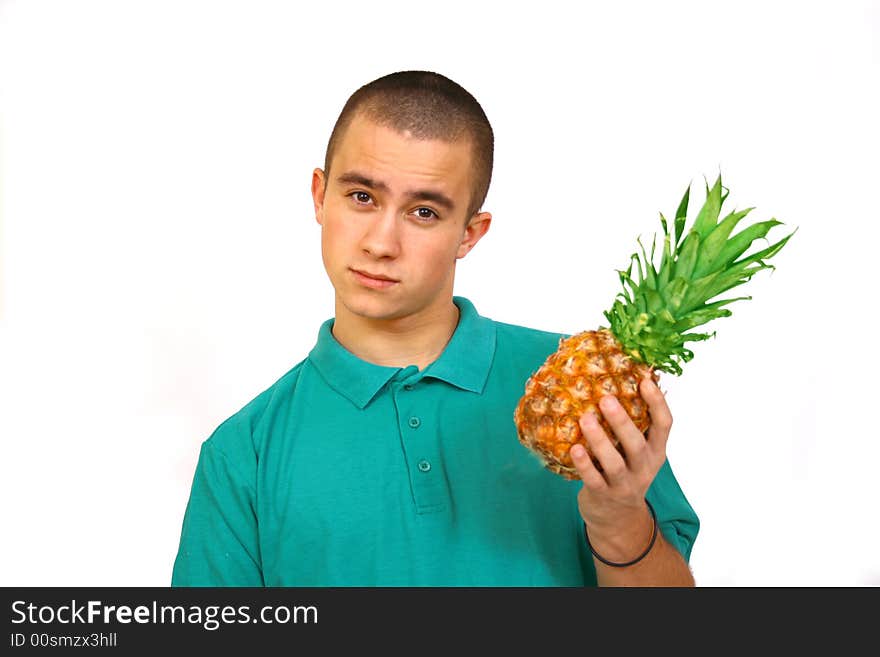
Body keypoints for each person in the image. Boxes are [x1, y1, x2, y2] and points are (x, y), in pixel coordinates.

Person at [170, 70, 699, 587]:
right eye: (361, 197)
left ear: (469, 233)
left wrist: (620, 521)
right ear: (319, 196)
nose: (381, 242)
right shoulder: (245, 451)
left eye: (423, 212)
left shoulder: (586, 397)